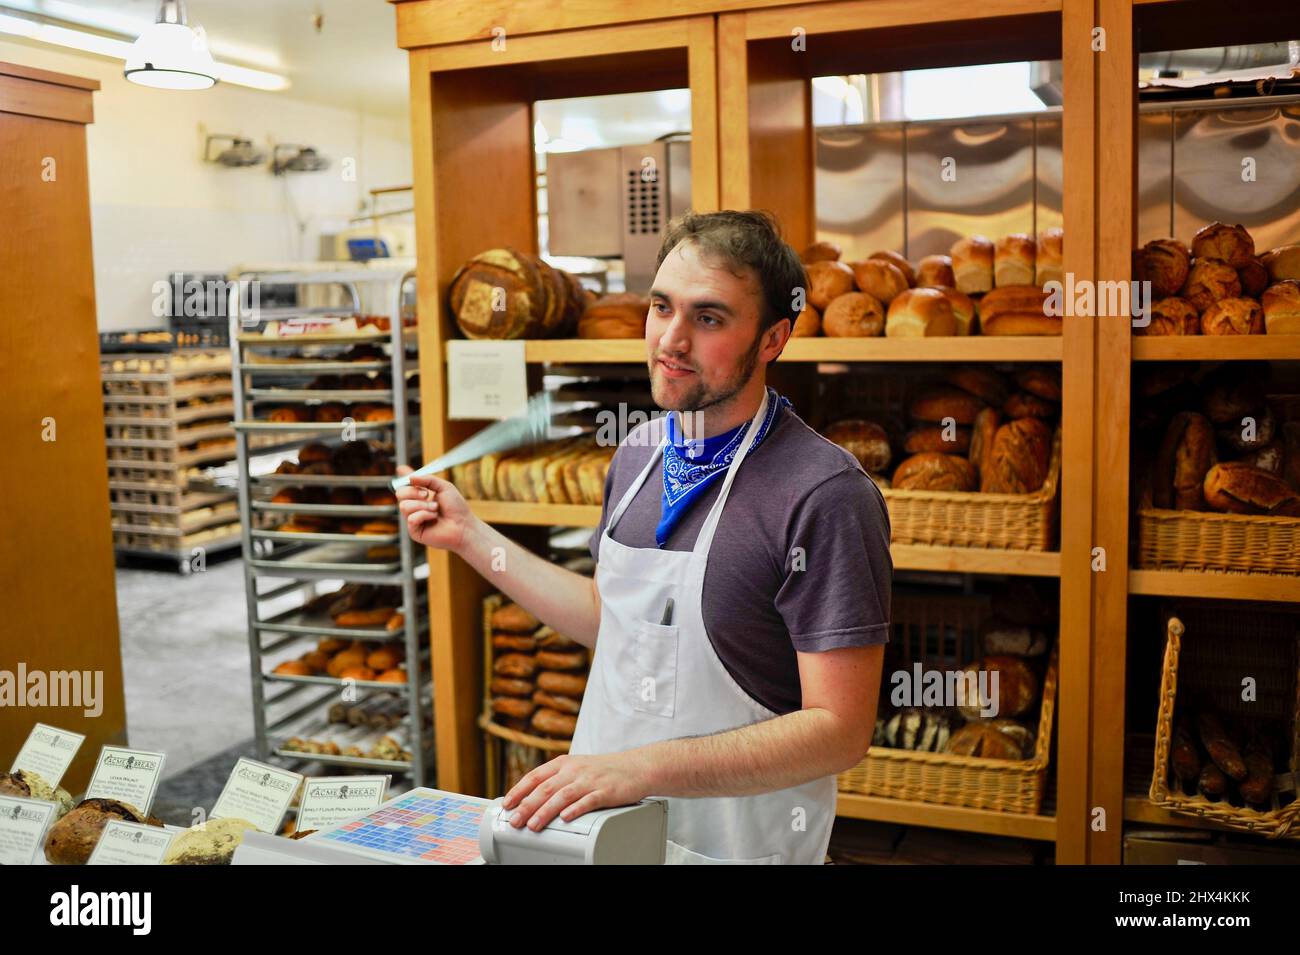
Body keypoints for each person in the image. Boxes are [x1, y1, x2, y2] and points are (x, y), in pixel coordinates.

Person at [397, 210, 891, 864]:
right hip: (600, 837)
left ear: (773, 338)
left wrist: (639, 769)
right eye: (662, 307)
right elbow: (614, 619)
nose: (671, 340)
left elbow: (840, 731)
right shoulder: (639, 454)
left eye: (708, 318)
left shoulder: (824, 494)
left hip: (736, 850)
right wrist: (468, 534)